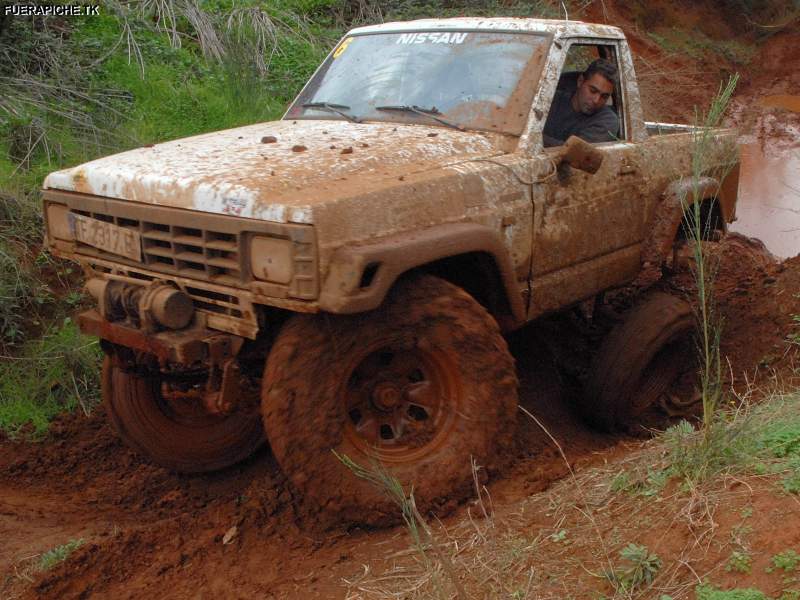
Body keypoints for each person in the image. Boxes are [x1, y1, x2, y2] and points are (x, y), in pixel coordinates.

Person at [543, 59, 620, 147]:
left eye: (604, 96)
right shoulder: (551, 100)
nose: (596, 100)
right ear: (580, 81)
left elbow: (573, 152)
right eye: (593, 91)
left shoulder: (607, 121)